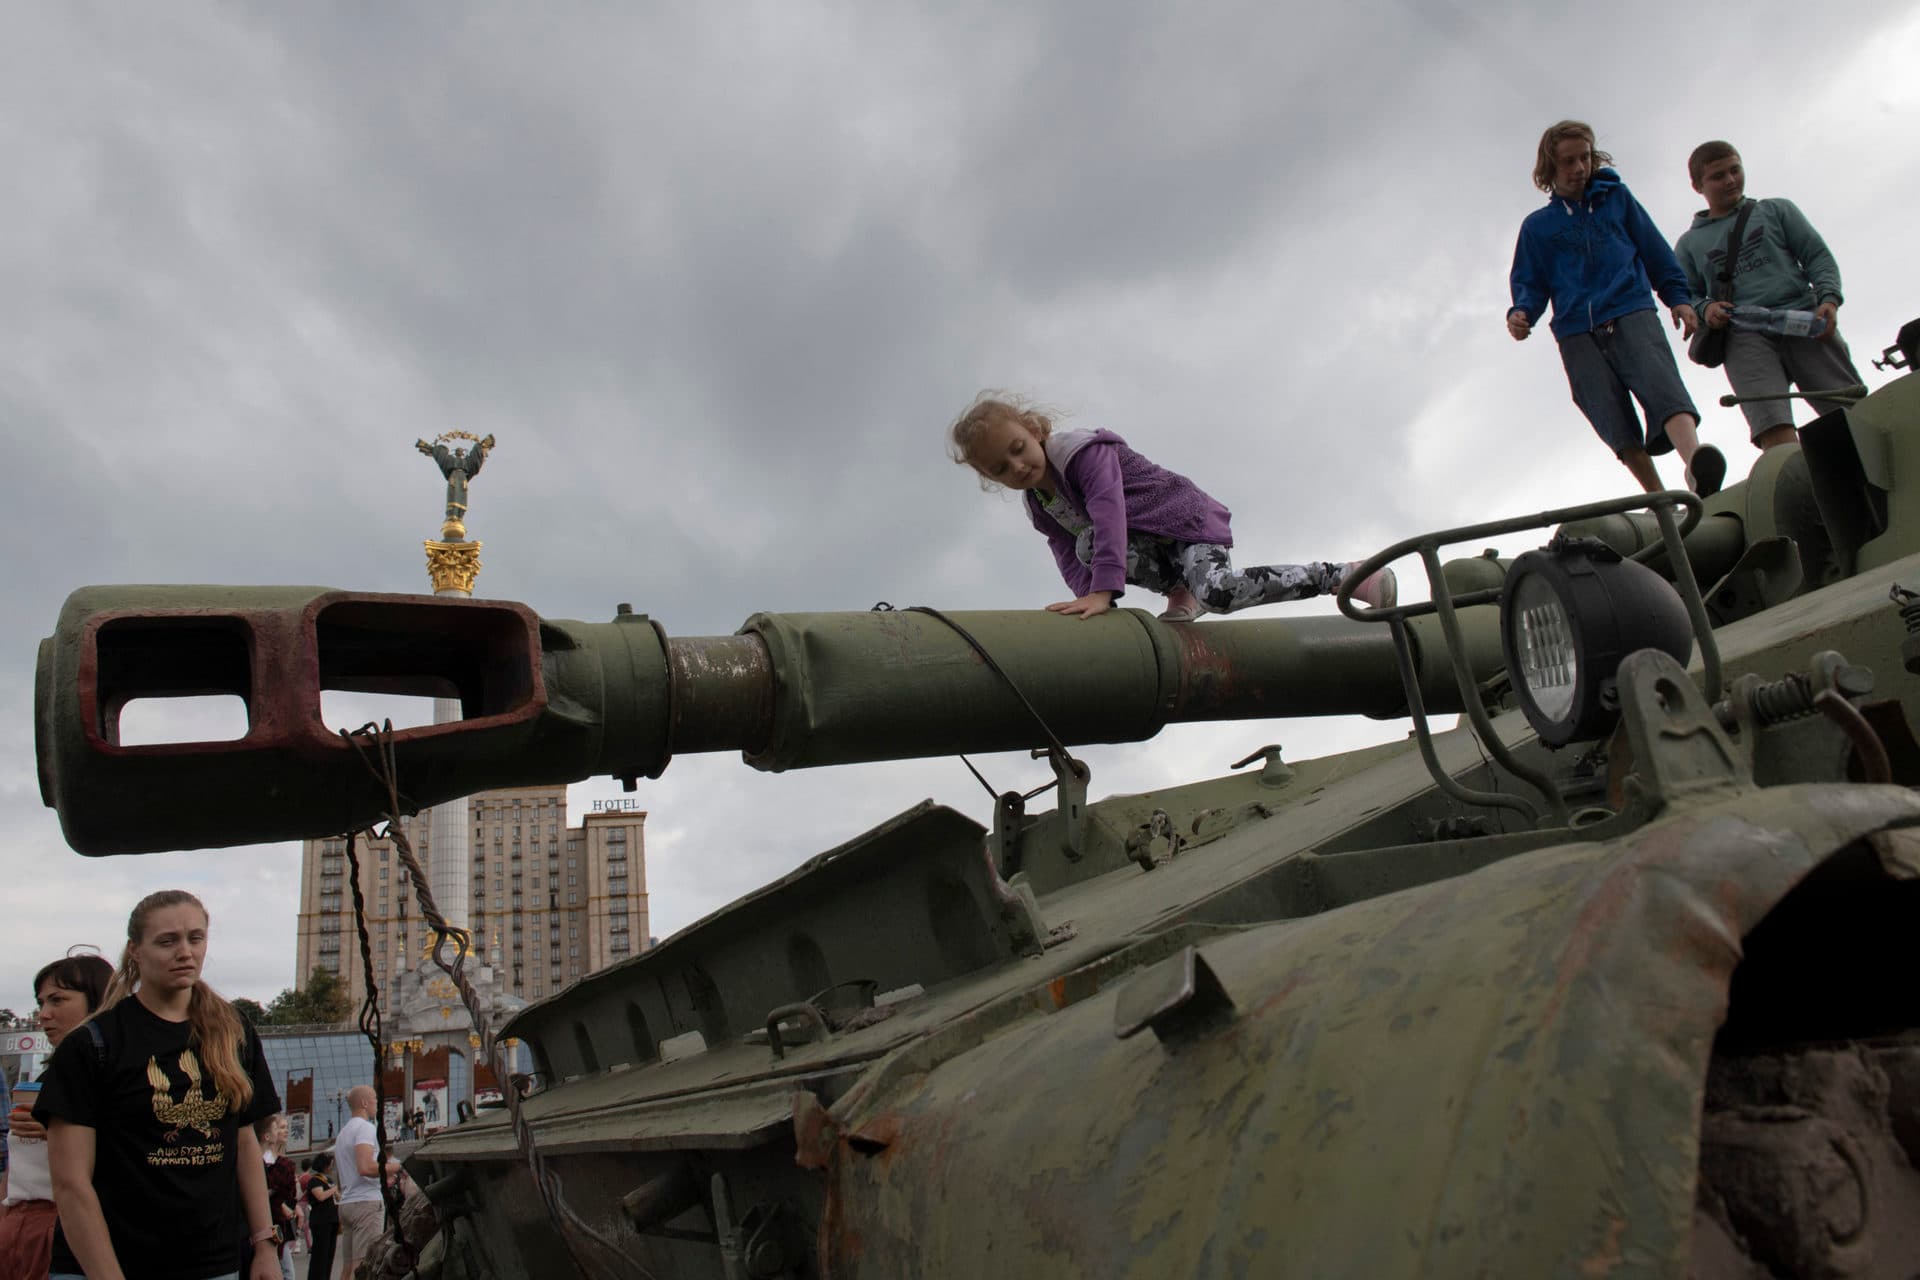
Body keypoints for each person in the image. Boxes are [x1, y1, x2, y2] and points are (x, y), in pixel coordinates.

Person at [948, 395, 1397, 622]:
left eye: (1018, 448)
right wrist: (1090, 601)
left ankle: (1346, 574)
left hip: (1185, 523)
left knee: (1218, 593)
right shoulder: (1041, 504)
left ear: (1033, 428)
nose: (1017, 465)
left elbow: (1109, 512)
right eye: (1000, 468)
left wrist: (1104, 592)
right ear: (991, 479)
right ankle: (1180, 588)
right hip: (1154, 547)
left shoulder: (1080, 452)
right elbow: (1069, 555)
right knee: (1084, 545)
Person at [34, 891, 281, 1280]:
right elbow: (71, 1184)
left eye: (195, 938)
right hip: (105, 1264)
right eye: (167, 941)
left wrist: (264, 1244)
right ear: (135, 950)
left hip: (212, 1265)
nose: (185, 952)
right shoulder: (93, 1044)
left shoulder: (234, 1031)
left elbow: (244, 1141)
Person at [1508, 120, 1724, 497]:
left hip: (1629, 308)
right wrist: (1521, 313)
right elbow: (1530, 282)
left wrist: (1678, 298)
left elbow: (1654, 251)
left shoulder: (1616, 198)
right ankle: (1658, 497)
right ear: (1550, 167)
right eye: (1568, 161)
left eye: (1585, 158)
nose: (1578, 168)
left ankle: (1695, 463)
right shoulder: (1537, 227)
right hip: (1577, 331)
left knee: (1661, 385)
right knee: (1609, 413)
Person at [1673, 141, 1863, 451]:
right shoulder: (1689, 244)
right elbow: (1684, 293)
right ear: (1698, 186)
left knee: (1850, 412)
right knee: (1774, 430)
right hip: (1744, 335)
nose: (1731, 180)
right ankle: (1805, 492)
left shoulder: (1776, 210)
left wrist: (1829, 299)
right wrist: (1706, 308)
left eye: (1735, 170)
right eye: (1718, 176)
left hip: (1804, 319)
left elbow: (1817, 257)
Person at [0, 953, 114, 1279]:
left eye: (58, 1000)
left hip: (68, 1226)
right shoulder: (45, 1078)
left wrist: (59, 1131)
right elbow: (17, 1163)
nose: (43, 1015)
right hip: (22, 1221)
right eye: (41, 1003)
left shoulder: (116, 1076)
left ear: (97, 1000)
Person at [333, 1085, 399, 1280]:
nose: (377, 1104)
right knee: (364, 1265)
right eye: (375, 1100)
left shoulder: (342, 1133)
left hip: (347, 1203)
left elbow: (345, 1173)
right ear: (364, 1103)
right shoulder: (365, 1128)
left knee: (347, 1267)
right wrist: (397, 1167)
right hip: (366, 1204)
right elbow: (365, 1167)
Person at [257, 1115, 297, 1280]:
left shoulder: (281, 1160)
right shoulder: (269, 1161)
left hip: (279, 1222)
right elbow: (267, 1190)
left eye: (286, 1127)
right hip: (270, 1223)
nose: (285, 1131)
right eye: (280, 1127)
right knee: (286, 1272)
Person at [303, 1153, 340, 1280]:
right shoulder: (315, 1180)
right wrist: (333, 1190)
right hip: (320, 1221)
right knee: (320, 1255)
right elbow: (320, 1196)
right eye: (330, 1164)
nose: (331, 1166)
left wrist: (336, 1192)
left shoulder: (329, 1180)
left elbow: (337, 1197)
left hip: (332, 1220)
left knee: (329, 1254)